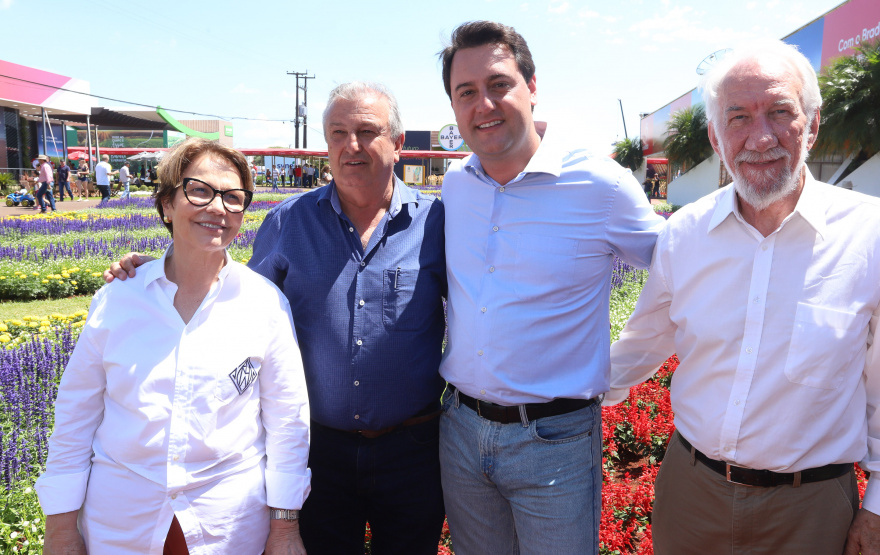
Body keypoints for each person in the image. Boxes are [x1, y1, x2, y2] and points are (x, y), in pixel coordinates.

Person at [105, 82, 448, 555]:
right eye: (338, 133)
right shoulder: (289, 223)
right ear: (326, 145)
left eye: (367, 131)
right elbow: (234, 302)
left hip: (413, 451)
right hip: (318, 455)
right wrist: (163, 266)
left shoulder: (438, 223)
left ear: (398, 142)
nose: (352, 145)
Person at [609, 40, 880, 555]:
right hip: (692, 496)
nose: (762, 137)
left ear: (812, 125)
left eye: (780, 112)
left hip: (813, 512)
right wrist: (548, 392)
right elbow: (640, 346)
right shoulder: (683, 235)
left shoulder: (876, 233)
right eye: (739, 118)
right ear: (715, 136)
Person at [436, 21, 664, 554]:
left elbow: (680, 271)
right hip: (460, 431)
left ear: (532, 86)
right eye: (465, 92)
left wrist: (624, 363)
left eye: (499, 84)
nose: (483, 104)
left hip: (554, 441)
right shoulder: (456, 183)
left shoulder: (601, 186)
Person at [37, 137, 311, 555]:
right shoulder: (119, 299)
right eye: (199, 191)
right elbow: (75, 417)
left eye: (233, 197)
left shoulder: (264, 303)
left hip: (229, 528)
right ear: (166, 204)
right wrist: (59, 529)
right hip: (121, 524)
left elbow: (287, 425)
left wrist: (285, 528)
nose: (218, 208)